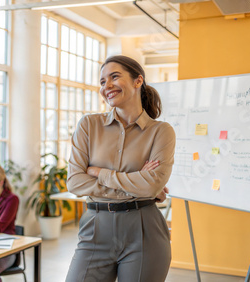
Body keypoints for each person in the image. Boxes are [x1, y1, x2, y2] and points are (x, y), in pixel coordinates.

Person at [65, 55, 176, 282]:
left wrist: (99, 173)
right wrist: (137, 185)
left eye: (115, 77)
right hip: (95, 227)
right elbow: (75, 182)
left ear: (138, 81)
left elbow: (153, 184)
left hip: (145, 231)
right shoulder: (89, 125)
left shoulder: (161, 131)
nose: (107, 86)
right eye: (103, 81)